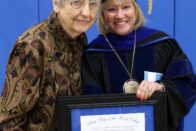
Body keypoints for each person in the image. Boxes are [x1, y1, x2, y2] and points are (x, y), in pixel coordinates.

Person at [81, 0, 196, 130]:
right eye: (111, 9)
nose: (120, 15)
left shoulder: (162, 45)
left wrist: (162, 88)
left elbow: (187, 84)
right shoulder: (93, 55)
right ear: (102, 14)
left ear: (135, 9)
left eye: (126, 7)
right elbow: (90, 105)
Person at [0, 0, 100, 130]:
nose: (86, 13)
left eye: (93, 4)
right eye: (77, 3)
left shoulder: (80, 41)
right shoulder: (32, 46)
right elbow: (9, 123)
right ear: (57, 4)